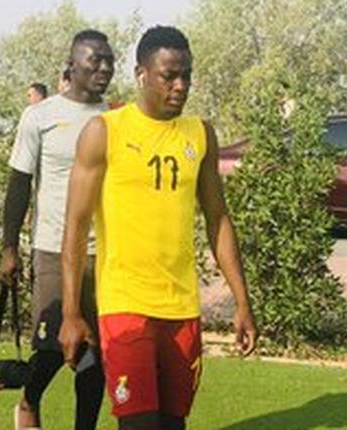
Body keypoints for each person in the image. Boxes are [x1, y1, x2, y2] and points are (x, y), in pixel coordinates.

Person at [59, 26, 258, 430]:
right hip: (125, 307)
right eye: (170, 75)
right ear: (142, 74)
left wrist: (242, 301)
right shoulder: (105, 132)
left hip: (182, 307)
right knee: (140, 425)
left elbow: (218, 218)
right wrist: (70, 311)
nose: (181, 86)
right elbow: (76, 227)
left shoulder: (200, 135)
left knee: (172, 424)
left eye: (187, 75)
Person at [0, 29, 114, 430]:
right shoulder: (41, 116)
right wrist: (9, 247)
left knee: (96, 356)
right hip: (52, 249)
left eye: (109, 60)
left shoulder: (116, 118)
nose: (103, 68)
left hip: (104, 256)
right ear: (72, 64)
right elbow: (18, 184)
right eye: (94, 60)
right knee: (51, 348)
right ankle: (29, 402)